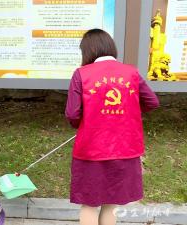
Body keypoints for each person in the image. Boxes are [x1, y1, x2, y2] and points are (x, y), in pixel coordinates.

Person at [65, 29, 160, 225]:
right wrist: (127, 112)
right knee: (111, 204)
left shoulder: (81, 74)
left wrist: (82, 123)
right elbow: (152, 102)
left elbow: (73, 114)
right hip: (125, 148)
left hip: (91, 150)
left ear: (88, 51)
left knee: (89, 204)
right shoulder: (131, 72)